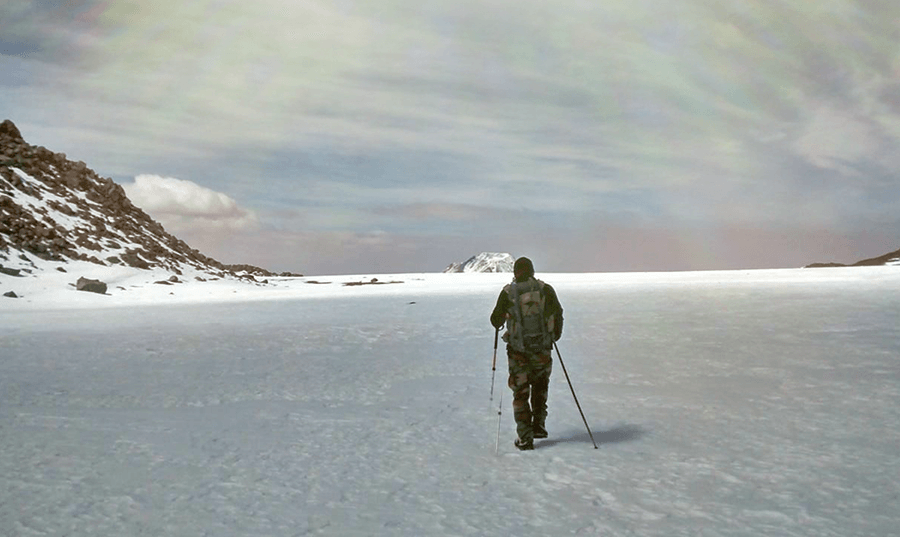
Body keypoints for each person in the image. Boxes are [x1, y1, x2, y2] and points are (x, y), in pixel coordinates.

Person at [490, 257, 563, 450]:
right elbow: (558, 312)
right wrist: (553, 337)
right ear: (532, 270)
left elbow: (495, 320)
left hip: (518, 352)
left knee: (520, 393)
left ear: (515, 272)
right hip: (542, 350)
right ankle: (538, 426)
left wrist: (505, 316)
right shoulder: (545, 289)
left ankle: (525, 437)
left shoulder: (507, 293)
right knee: (540, 386)